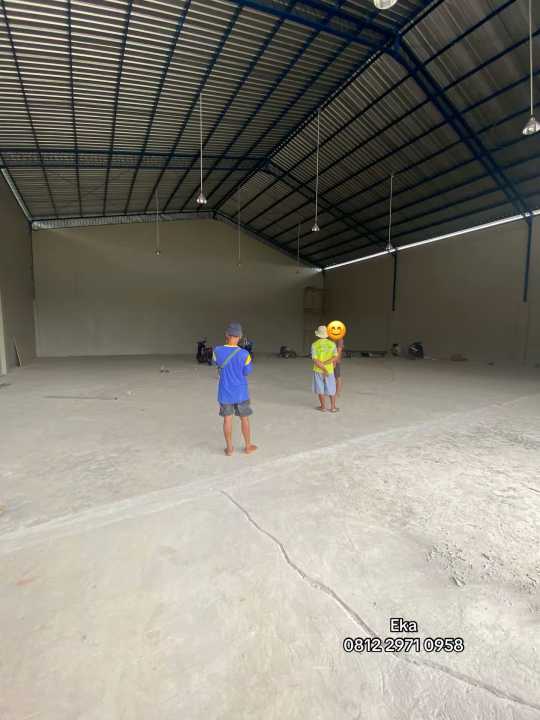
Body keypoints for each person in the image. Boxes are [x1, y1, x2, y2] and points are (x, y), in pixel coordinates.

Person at [212, 323, 257, 456]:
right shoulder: (244, 353)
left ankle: (229, 448)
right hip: (240, 391)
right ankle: (248, 446)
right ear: (240, 336)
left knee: (227, 419)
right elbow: (247, 372)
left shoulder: (217, 350)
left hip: (224, 391)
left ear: (227, 335)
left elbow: (215, 362)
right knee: (244, 418)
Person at [311, 326, 340, 413]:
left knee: (320, 388)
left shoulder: (314, 344)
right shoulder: (332, 344)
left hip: (318, 370)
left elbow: (315, 359)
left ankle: (323, 407)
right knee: (331, 388)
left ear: (318, 334)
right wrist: (326, 366)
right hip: (330, 370)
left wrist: (322, 367)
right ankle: (333, 407)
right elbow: (335, 357)